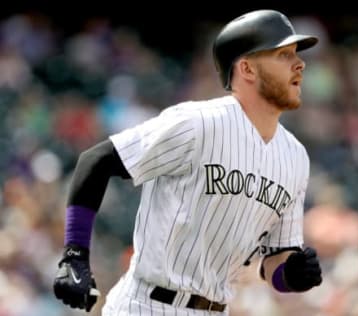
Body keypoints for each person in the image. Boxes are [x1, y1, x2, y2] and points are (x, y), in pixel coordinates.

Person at [53, 9, 323, 315]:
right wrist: (74, 255)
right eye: (284, 55)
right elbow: (96, 160)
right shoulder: (198, 124)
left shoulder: (295, 156)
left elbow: (275, 262)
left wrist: (293, 274)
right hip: (147, 305)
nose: (299, 63)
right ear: (247, 68)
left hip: (217, 308)